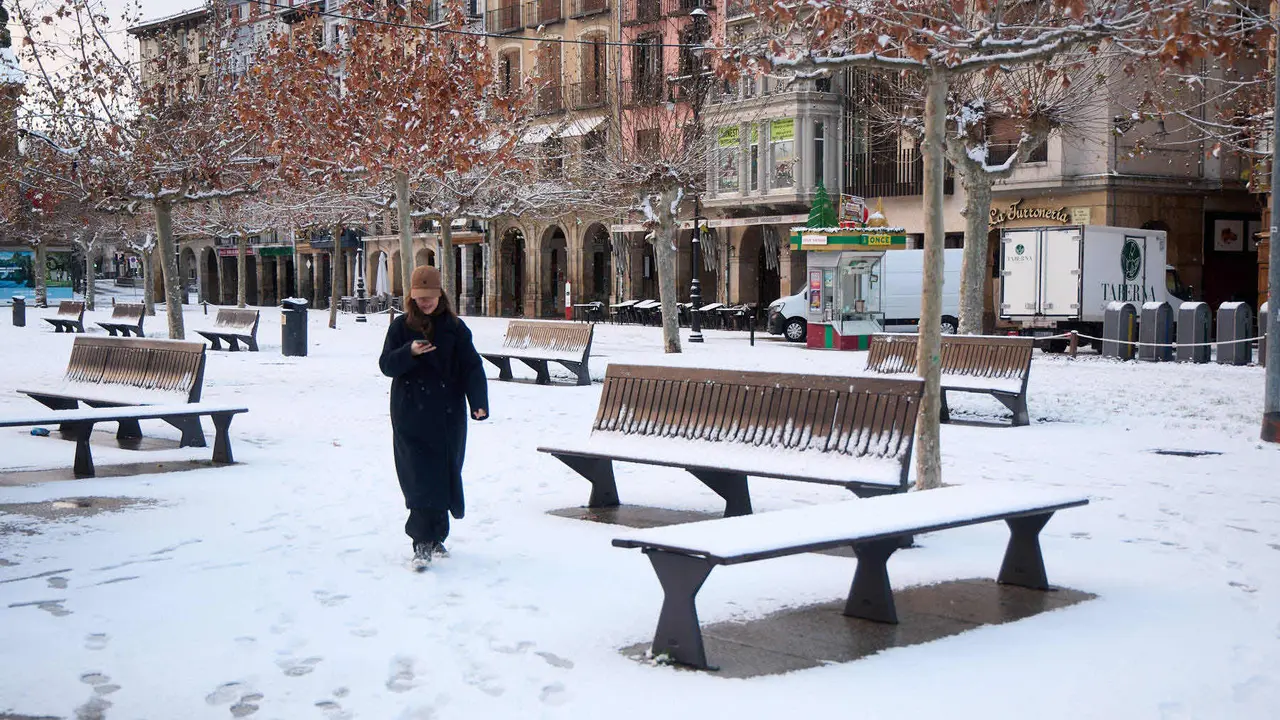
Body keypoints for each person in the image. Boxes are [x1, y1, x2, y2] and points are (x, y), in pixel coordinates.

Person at [379, 265, 489, 568]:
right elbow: (387, 365)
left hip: (447, 415)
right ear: (411, 297)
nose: (425, 303)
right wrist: (409, 353)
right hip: (410, 414)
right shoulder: (400, 327)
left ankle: (437, 536)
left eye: (429, 297)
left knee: (444, 475)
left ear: (440, 295)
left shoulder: (455, 328)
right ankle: (420, 542)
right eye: (419, 298)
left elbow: (471, 367)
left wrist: (478, 402)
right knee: (418, 479)